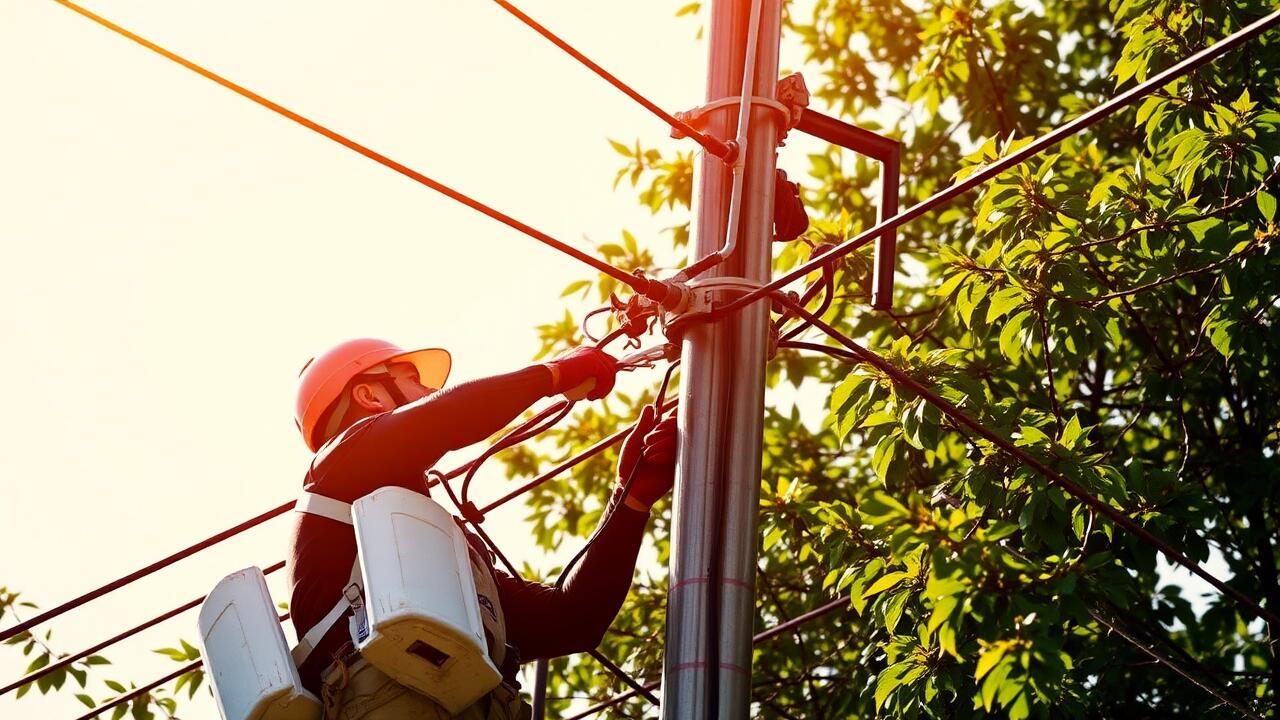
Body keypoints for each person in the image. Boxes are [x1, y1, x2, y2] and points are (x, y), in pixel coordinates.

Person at [287, 338, 676, 720]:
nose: (429, 393)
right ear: (370, 395)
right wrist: (554, 374)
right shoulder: (333, 470)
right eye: (415, 381)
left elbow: (573, 619)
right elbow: (445, 417)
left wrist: (630, 499)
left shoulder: (439, 564)